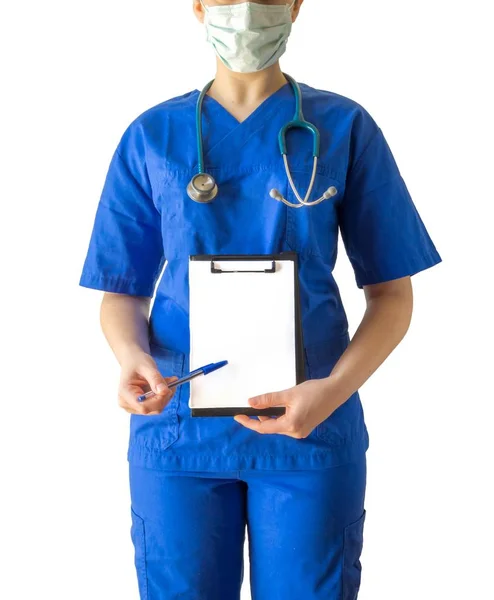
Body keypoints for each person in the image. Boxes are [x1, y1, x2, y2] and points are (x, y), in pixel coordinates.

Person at [79, 1, 442, 598]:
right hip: (179, 432)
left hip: (311, 432)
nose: (246, 9)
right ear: (198, 6)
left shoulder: (344, 127)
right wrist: (130, 356)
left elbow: (392, 296)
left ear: (296, 5)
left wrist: (333, 391)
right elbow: (120, 292)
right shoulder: (153, 135)